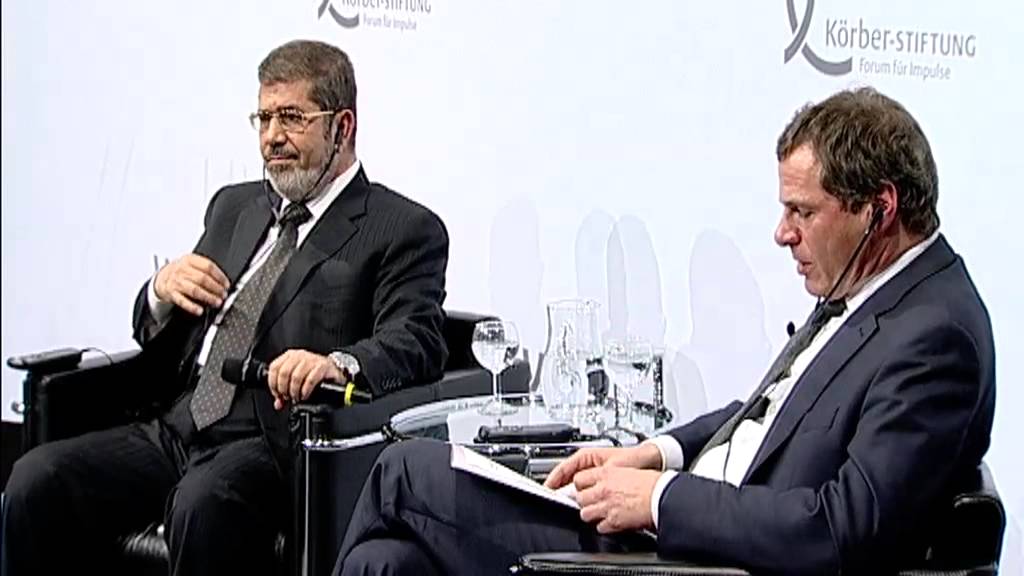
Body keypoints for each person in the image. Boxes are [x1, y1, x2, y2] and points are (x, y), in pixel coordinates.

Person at [335, 87, 995, 575]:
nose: (782, 233)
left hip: (698, 561)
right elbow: (774, 415)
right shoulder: (867, 286)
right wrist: (656, 455)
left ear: (879, 209)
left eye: (803, 212)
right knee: (386, 564)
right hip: (683, 530)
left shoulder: (935, 338)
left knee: (404, 471)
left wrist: (660, 499)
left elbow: (841, 532)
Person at [2, 39, 450, 576]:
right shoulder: (233, 206)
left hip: (274, 441)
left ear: (342, 126)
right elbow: (160, 331)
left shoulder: (400, 227)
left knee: (202, 503)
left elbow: (416, 338)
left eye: (292, 118)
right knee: (36, 480)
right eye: (263, 118)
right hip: (178, 426)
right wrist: (160, 291)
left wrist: (337, 365)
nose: (272, 137)